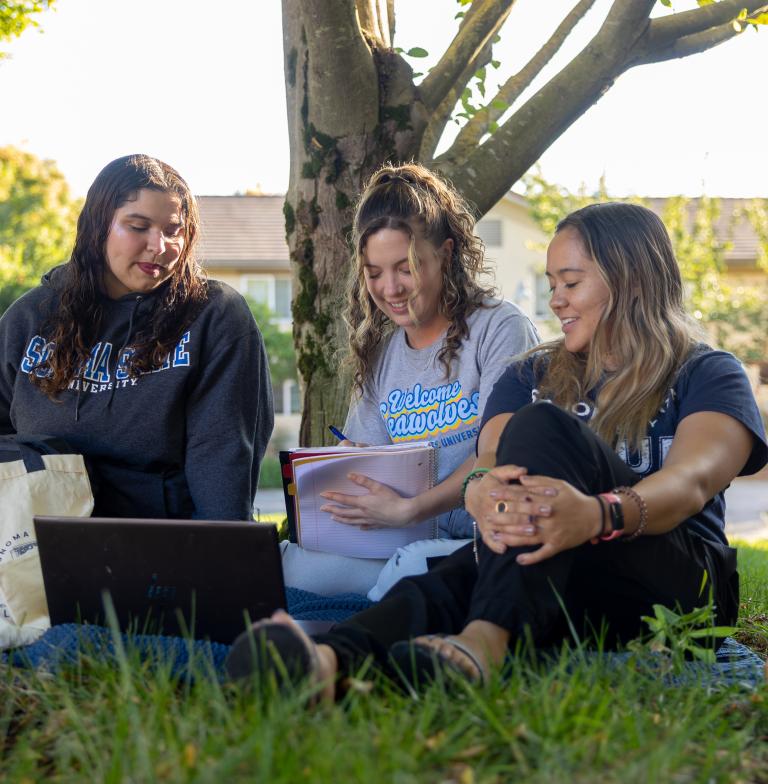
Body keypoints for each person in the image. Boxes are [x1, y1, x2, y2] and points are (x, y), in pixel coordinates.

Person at [226, 202, 767, 695]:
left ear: (630, 279)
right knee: (457, 573)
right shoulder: (530, 371)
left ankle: (486, 639)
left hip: (680, 588)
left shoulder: (706, 372)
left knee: (542, 429)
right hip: (569, 575)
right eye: (552, 283)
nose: (555, 300)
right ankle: (326, 666)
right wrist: (480, 492)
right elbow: (487, 463)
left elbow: (691, 482)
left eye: (571, 283)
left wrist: (599, 514)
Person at [280, 162, 539, 595]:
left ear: (447, 253)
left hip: (477, 541)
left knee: (408, 568)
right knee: (287, 565)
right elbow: (374, 466)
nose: (390, 288)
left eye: (406, 267)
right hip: (399, 538)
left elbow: (500, 453)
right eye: (374, 272)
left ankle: (369, 627)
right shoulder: (381, 354)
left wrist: (413, 510)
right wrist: (352, 463)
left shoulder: (499, 327)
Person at [0, 154, 273, 519]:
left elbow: (222, 457)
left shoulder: (212, 316)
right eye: (138, 226)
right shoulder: (30, 319)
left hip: (163, 546)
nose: (159, 246)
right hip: (38, 549)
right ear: (98, 227)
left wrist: (217, 561)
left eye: (174, 230)